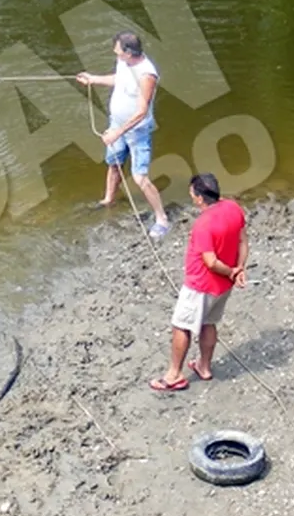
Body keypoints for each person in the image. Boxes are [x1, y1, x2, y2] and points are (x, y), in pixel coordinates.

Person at [150, 173, 247, 391]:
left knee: (181, 325)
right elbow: (243, 241)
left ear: (200, 198)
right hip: (223, 287)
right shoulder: (233, 207)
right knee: (208, 322)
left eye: (192, 194)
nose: (192, 197)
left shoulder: (203, 224)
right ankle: (204, 366)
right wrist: (239, 269)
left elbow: (211, 262)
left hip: (201, 286)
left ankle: (174, 375)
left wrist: (232, 271)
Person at [76, 30, 172, 238]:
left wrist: (117, 133)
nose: (116, 55)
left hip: (137, 131)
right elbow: (118, 80)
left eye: (119, 52)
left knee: (139, 177)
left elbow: (141, 112)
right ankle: (109, 199)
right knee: (114, 163)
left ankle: (162, 219)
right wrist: (93, 79)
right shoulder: (124, 63)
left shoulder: (147, 75)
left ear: (129, 53)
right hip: (116, 123)